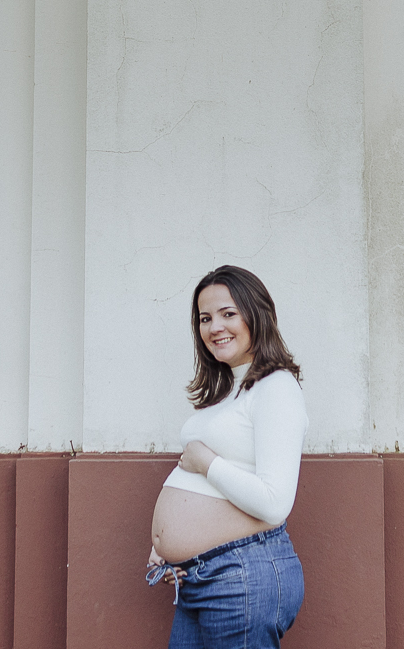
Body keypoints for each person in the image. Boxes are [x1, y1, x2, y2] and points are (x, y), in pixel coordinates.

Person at [145, 265, 307, 646]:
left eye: (228, 313)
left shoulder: (276, 387)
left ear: (258, 314)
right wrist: (168, 548)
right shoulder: (231, 390)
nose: (214, 326)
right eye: (205, 318)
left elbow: (274, 502)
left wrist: (205, 462)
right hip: (200, 576)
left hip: (241, 577)